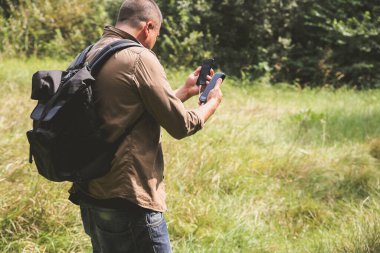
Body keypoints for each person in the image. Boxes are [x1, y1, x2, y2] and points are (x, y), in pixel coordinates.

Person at [68, 0, 223, 252]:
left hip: (92, 191)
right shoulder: (140, 57)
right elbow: (181, 125)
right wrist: (211, 103)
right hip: (130, 197)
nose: (154, 41)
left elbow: (128, 109)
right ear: (148, 27)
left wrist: (183, 91)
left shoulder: (92, 52)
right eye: (156, 35)